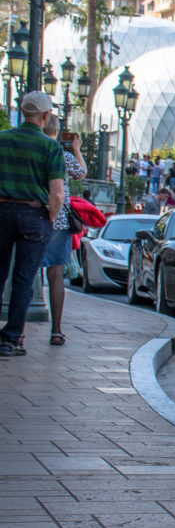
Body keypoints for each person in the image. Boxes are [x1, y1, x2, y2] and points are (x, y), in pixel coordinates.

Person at [0, 92, 66, 356]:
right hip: (33, 215)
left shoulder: (2, 139)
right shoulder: (50, 147)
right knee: (24, 279)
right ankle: (11, 338)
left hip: (1, 210)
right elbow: (58, 192)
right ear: (46, 115)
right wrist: (50, 217)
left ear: (23, 112)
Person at [39, 116, 86, 346]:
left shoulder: (35, 150)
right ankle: (56, 330)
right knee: (56, 276)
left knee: (25, 273)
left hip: (34, 217)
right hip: (58, 221)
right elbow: (81, 172)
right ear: (57, 131)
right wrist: (77, 149)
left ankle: (17, 332)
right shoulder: (63, 154)